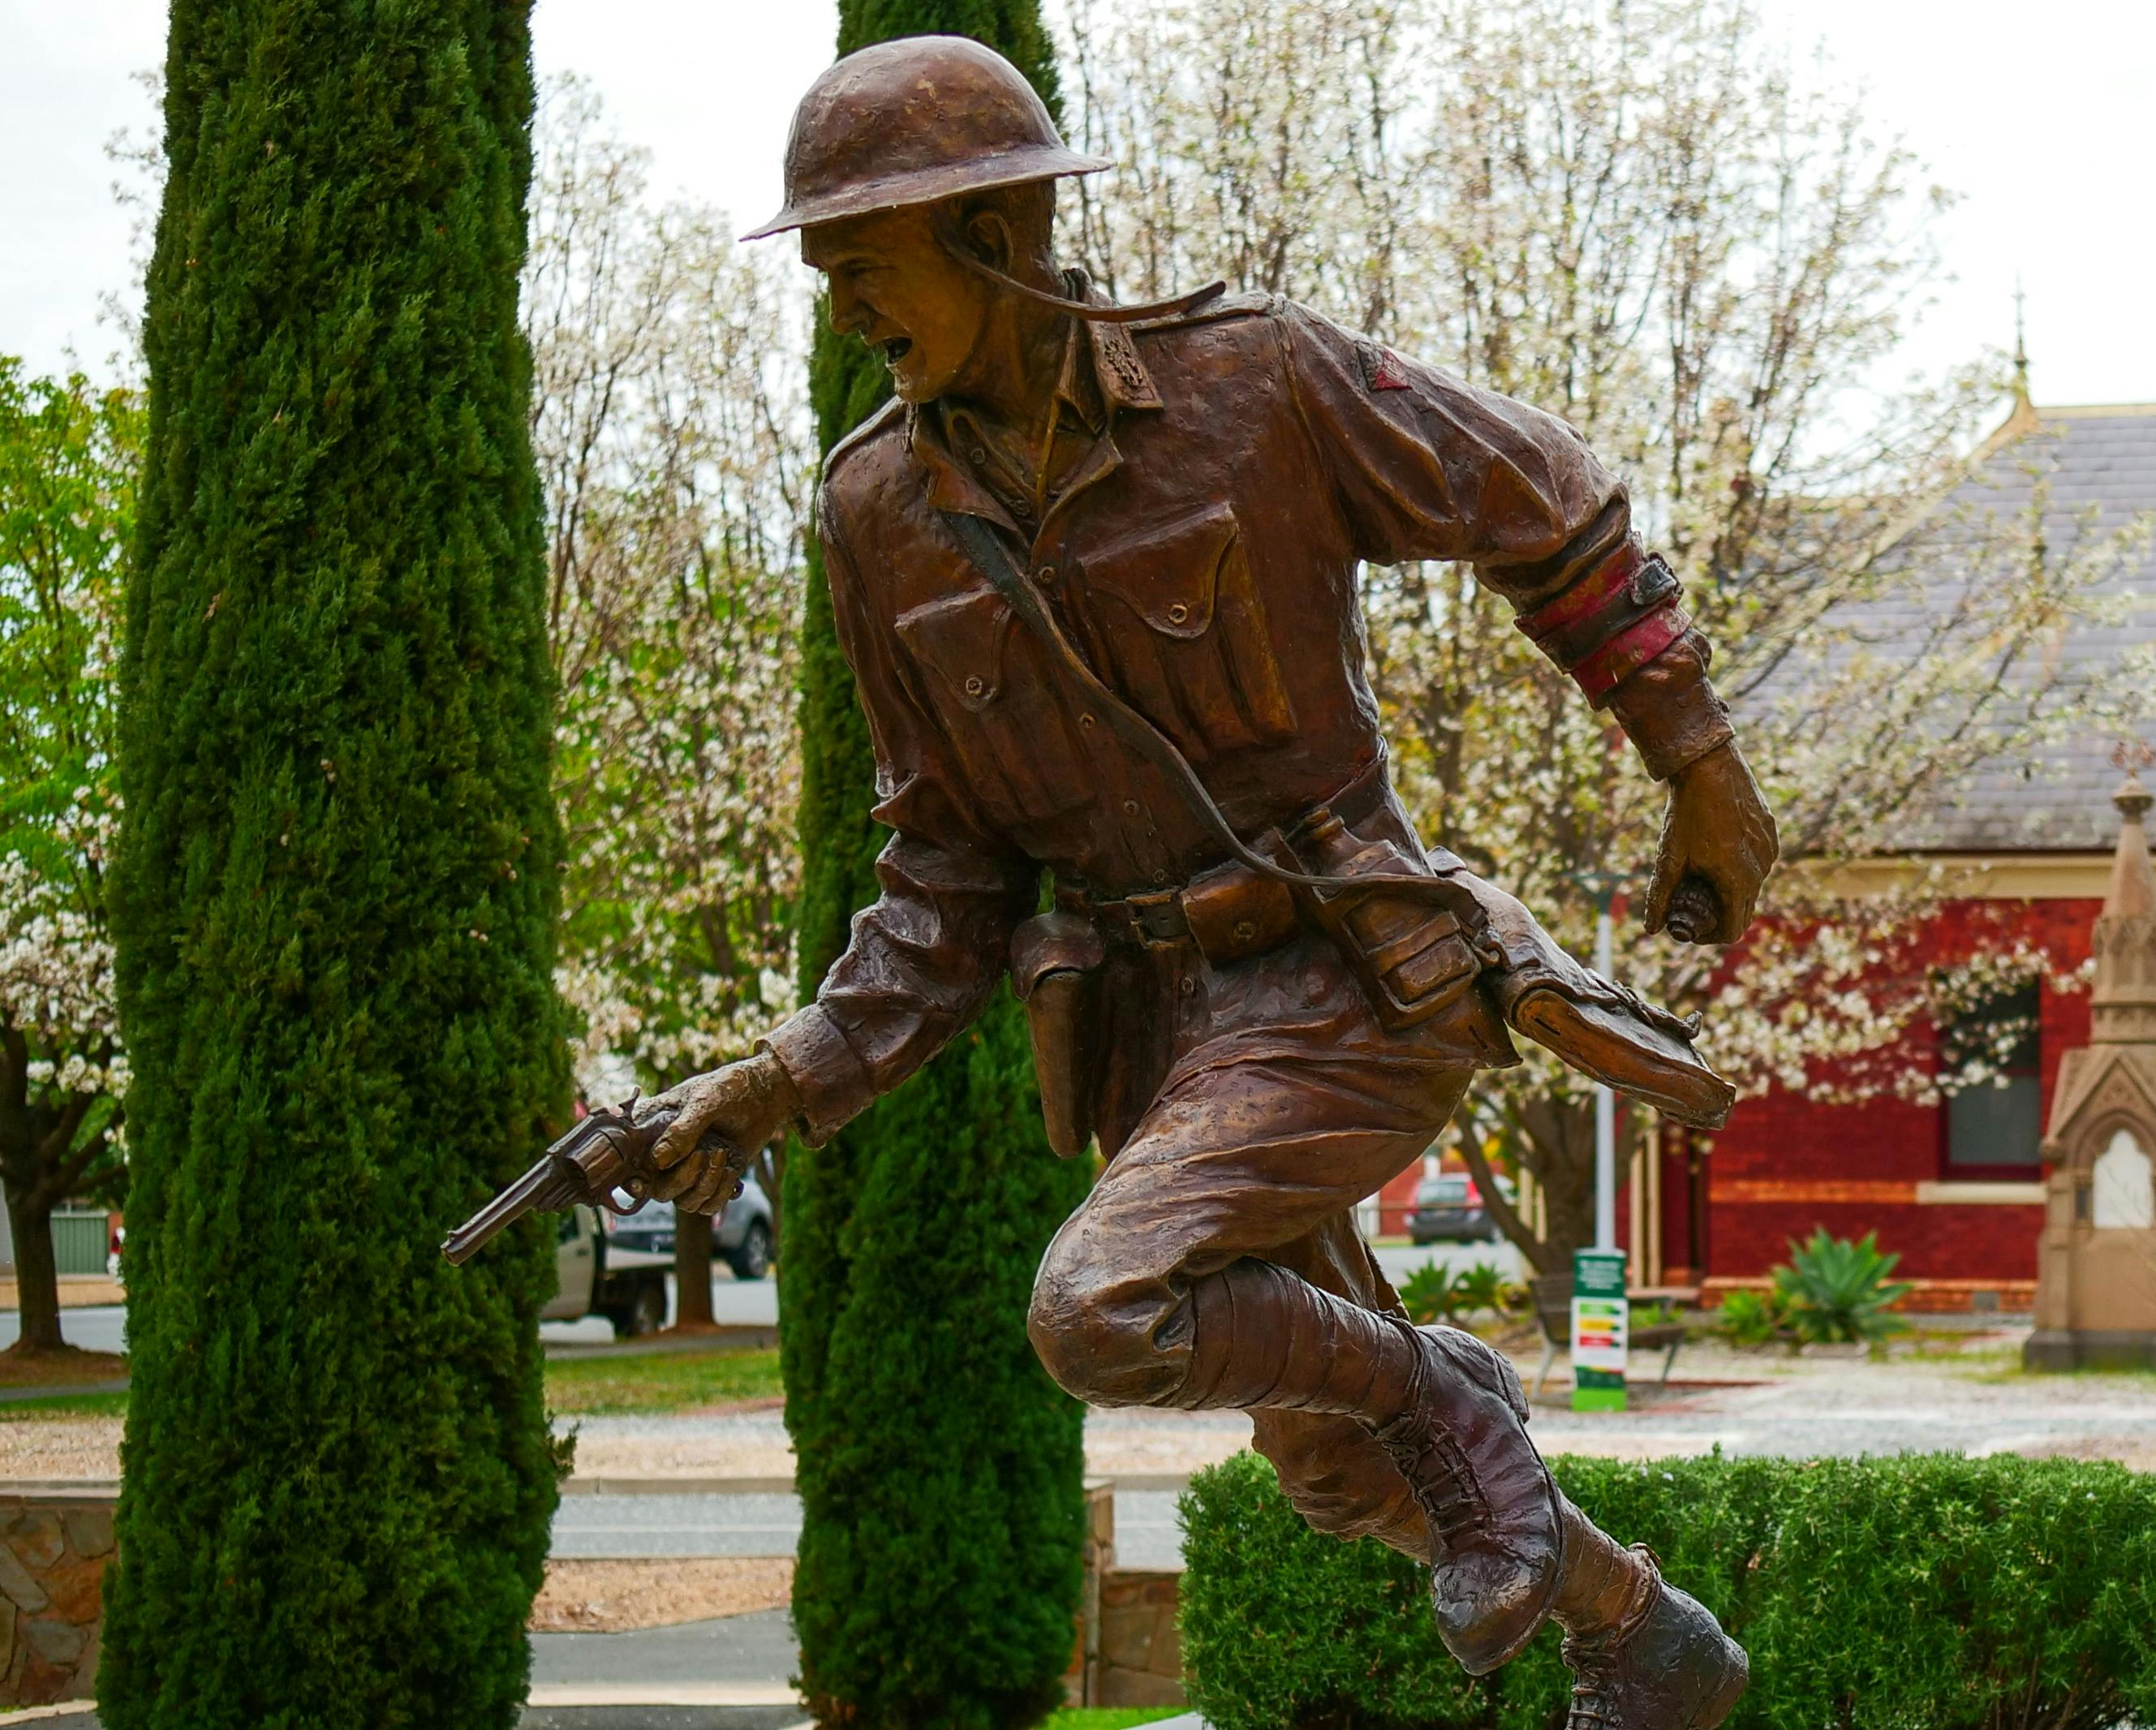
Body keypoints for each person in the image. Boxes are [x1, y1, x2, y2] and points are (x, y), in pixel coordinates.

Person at [635, 35, 1773, 1729]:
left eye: (863, 262)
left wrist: (1698, 765)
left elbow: (1543, 499)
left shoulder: (1253, 383)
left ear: (997, 235)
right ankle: (1643, 1634)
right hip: (1154, 1038)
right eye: (823, 271)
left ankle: (1450, 1391)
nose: (842, 307)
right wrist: (778, 1079)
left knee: (1097, 1306)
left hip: (1346, 967)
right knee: (1335, 1465)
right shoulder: (875, 513)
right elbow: (940, 887)